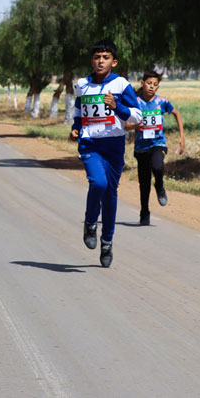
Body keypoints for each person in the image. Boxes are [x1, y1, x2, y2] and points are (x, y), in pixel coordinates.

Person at [69, 39, 141, 268]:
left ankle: (107, 241)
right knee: (98, 183)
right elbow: (80, 108)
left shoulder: (121, 85)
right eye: (97, 57)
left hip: (114, 145)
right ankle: (90, 223)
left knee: (110, 195)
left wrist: (116, 106)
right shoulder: (83, 84)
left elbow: (137, 117)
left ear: (114, 61)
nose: (100, 61)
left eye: (105, 58)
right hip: (90, 144)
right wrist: (76, 126)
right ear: (92, 60)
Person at [127, 70, 185, 226]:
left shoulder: (162, 102)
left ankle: (159, 186)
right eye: (149, 83)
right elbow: (125, 125)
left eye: (155, 85)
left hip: (158, 143)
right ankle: (144, 212)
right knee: (144, 183)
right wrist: (135, 125)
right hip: (141, 148)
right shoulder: (135, 102)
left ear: (158, 87)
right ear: (142, 83)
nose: (151, 87)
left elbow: (177, 113)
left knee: (158, 167)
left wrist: (181, 137)